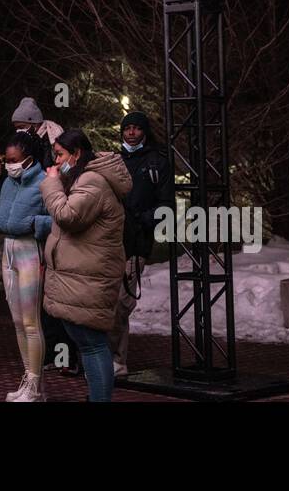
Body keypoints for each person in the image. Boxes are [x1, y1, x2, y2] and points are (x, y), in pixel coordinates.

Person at [39, 128, 131, 402]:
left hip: (89, 278)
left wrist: (51, 184)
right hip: (83, 276)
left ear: (77, 153)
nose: (55, 162)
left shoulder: (92, 181)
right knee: (88, 344)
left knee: (92, 346)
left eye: (60, 155)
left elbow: (68, 216)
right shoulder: (86, 178)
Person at [0, 130, 51, 401]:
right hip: (8, 250)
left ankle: (36, 386)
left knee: (30, 321)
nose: (9, 164)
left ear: (28, 159)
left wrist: (35, 224)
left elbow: (57, 217)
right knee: (17, 321)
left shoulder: (44, 182)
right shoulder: (8, 182)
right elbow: (0, 212)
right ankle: (28, 378)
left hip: (30, 250)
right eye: (7, 160)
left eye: (14, 160)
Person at [112, 110, 173, 380]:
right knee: (104, 304)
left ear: (144, 132)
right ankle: (102, 358)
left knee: (120, 305)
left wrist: (141, 221)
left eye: (137, 128)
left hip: (135, 243)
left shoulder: (157, 162)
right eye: (128, 128)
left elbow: (166, 206)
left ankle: (116, 361)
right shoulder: (112, 160)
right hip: (106, 243)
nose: (132, 132)